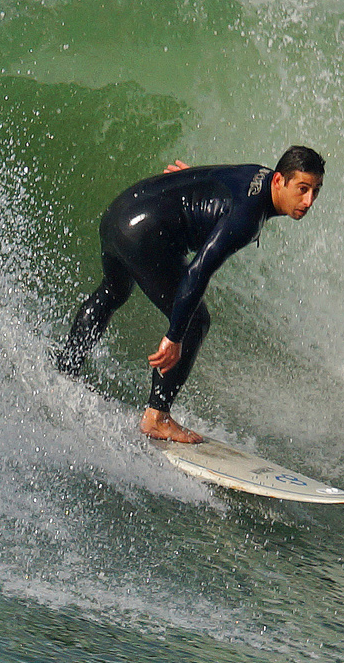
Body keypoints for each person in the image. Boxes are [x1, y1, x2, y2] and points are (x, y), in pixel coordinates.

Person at [54, 145, 325, 443]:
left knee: (113, 290)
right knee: (196, 321)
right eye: (302, 188)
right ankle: (157, 417)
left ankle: (65, 370)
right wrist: (175, 335)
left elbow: (217, 177)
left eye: (315, 190)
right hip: (145, 234)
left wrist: (190, 181)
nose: (309, 200)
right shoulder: (247, 218)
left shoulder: (256, 173)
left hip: (119, 215)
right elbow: (198, 271)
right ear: (279, 181)